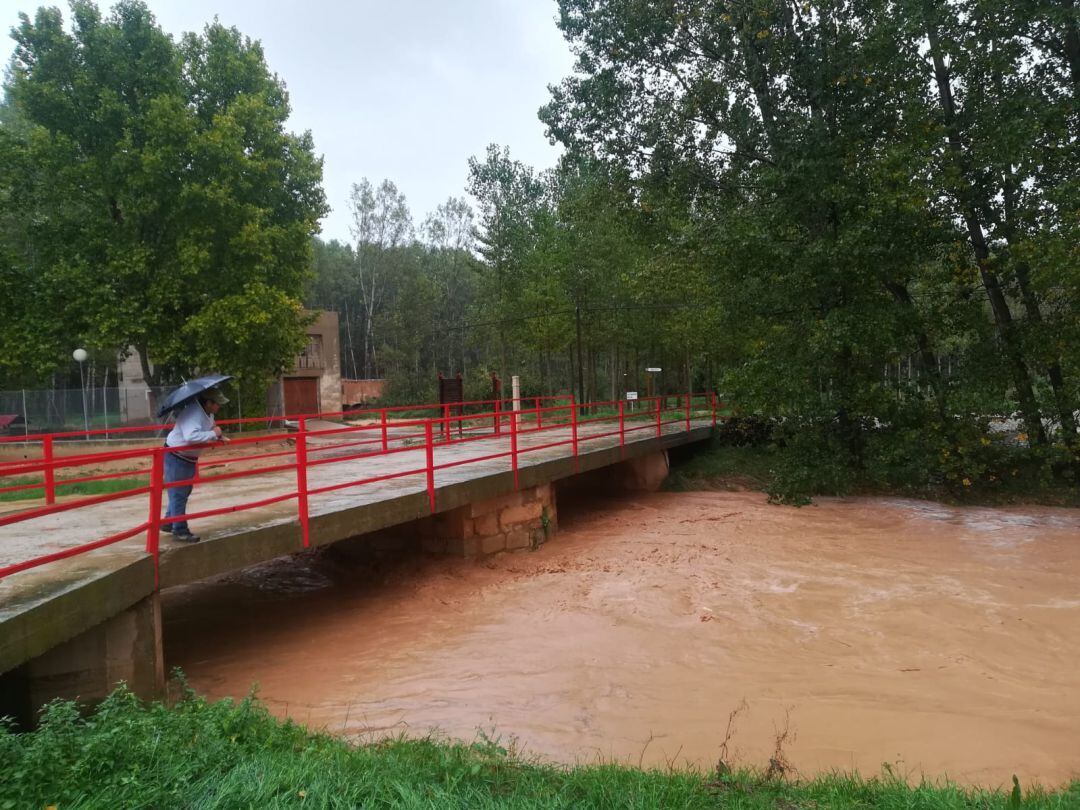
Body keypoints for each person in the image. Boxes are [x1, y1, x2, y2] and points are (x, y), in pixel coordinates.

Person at [163, 387, 230, 542]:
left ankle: (168, 522)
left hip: (187, 458)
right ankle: (180, 530)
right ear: (208, 403)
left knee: (182, 491)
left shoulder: (208, 413)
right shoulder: (193, 414)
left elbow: (210, 428)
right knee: (178, 493)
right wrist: (215, 434)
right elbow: (191, 436)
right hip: (176, 456)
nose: (219, 406)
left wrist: (218, 436)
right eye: (217, 403)